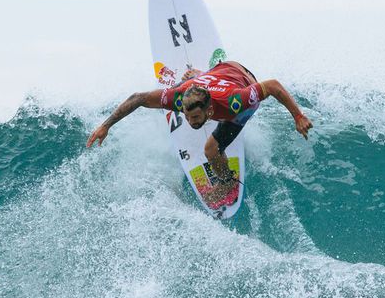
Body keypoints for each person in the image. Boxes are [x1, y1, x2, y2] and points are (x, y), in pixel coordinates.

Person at [85, 61, 313, 205]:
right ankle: (200, 75)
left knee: (211, 149)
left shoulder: (234, 102)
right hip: (218, 72)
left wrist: (298, 116)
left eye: (195, 118)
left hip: (241, 77)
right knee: (185, 85)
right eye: (186, 115)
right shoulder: (178, 97)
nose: (190, 121)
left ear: (210, 111)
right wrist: (106, 125)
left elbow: (271, 85)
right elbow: (138, 98)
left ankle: (226, 182)